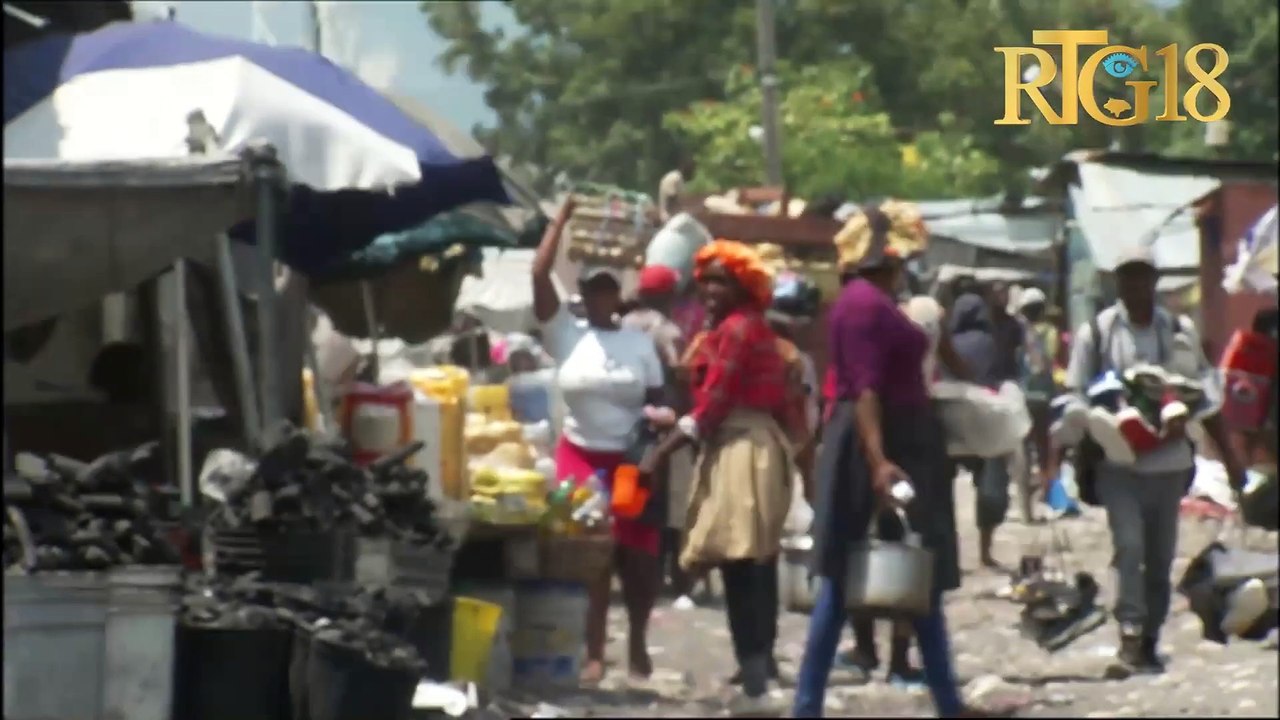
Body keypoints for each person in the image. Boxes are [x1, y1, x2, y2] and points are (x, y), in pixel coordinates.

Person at [794, 201, 985, 719]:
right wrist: (879, 460)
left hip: (895, 441)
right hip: (877, 444)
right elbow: (866, 390)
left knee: (917, 568)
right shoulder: (865, 306)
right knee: (840, 571)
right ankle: (806, 703)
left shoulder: (871, 301)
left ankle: (947, 698)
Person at [1052, 245, 1248, 678]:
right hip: (1118, 465)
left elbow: (1207, 397)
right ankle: (1130, 631)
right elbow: (1075, 397)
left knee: (1160, 559)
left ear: (1154, 281)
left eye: (1142, 275)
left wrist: (1232, 462)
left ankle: (1150, 638)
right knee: (1129, 547)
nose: (1134, 284)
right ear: (1116, 281)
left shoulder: (1178, 330)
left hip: (1169, 465)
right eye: (1127, 276)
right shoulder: (1098, 334)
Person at [639, 240, 800, 712]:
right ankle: (757, 671)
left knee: (742, 565)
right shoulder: (741, 327)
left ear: (741, 286)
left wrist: (659, 456)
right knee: (753, 562)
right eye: (705, 279)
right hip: (745, 442)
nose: (710, 289)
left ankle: (754, 679)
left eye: (721, 280)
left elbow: (713, 405)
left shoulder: (737, 331)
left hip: (742, 446)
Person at [532, 198, 668, 683]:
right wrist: (561, 219)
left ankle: (636, 639)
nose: (599, 298)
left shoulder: (640, 342)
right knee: (592, 551)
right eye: (591, 289)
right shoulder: (565, 333)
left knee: (639, 557)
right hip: (580, 454)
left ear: (619, 296)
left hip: (629, 459)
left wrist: (659, 430)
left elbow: (659, 400)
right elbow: (538, 271)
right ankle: (593, 649)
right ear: (583, 295)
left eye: (607, 290)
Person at [620, 265, 698, 607]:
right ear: (669, 295)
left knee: (632, 499)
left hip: (628, 424)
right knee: (675, 506)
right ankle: (678, 580)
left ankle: (626, 571)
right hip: (667, 425)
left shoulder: (624, 325)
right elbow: (681, 371)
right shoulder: (666, 329)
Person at [945, 287, 1011, 569]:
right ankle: (985, 551)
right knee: (991, 486)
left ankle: (949, 553)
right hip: (984, 423)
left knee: (941, 491)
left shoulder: (946, 342)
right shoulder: (991, 342)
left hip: (950, 423)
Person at [1015, 288, 1058, 492]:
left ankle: (1024, 485)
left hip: (1022, 393)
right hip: (1043, 394)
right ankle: (1045, 486)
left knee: (1023, 442)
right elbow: (1051, 358)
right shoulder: (1050, 332)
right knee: (1043, 442)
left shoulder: (1018, 331)